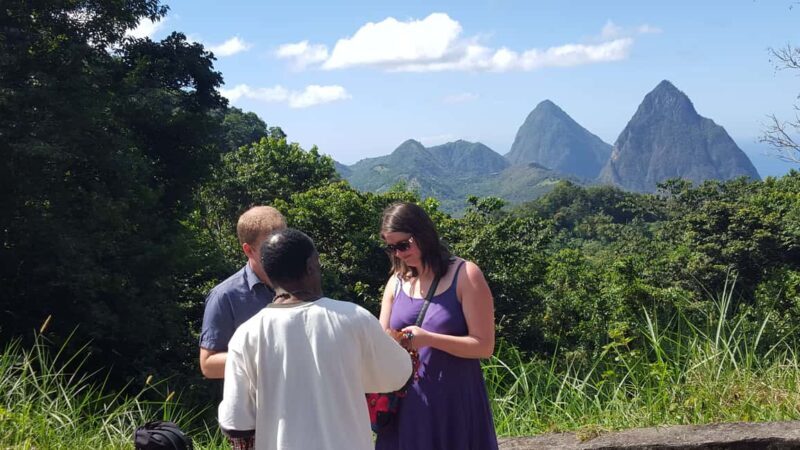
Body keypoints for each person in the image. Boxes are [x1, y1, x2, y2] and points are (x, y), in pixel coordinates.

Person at [218, 228, 413, 450]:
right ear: (311, 266)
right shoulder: (353, 318)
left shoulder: (247, 335)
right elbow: (400, 376)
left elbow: (236, 424)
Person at [375, 202, 499, 450]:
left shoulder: (465, 274)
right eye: (392, 248)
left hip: (454, 402)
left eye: (403, 245)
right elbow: (381, 340)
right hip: (406, 404)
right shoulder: (396, 282)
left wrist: (429, 339)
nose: (399, 254)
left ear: (423, 234)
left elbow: (484, 347)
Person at [199, 206, 286, 379]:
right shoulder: (225, 296)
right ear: (248, 250)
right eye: (269, 247)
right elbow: (208, 365)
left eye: (284, 244)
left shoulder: (300, 281)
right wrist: (266, 359)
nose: (280, 253)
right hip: (256, 404)